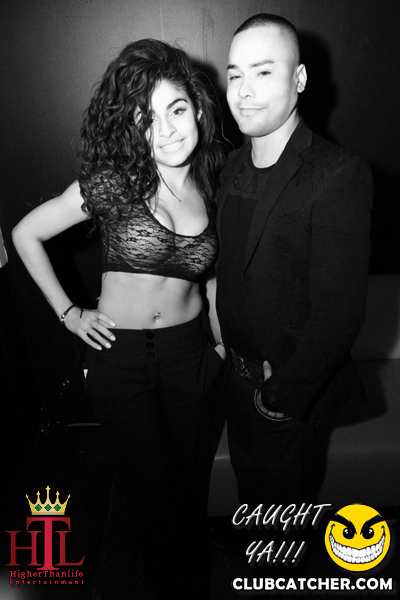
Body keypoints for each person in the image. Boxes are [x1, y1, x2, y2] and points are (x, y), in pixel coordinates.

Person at [12, 39, 227, 600]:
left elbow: (211, 279)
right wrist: (68, 313)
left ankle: (191, 581)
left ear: (198, 108)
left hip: (191, 356)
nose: (167, 130)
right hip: (121, 360)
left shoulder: (214, 184)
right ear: (133, 126)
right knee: (151, 488)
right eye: (147, 118)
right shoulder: (115, 183)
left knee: (188, 482)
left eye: (176, 109)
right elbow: (26, 233)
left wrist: (220, 344)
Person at [215, 14, 373, 510]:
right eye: (235, 75)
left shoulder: (338, 173)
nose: (244, 91)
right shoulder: (230, 167)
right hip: (234, 380)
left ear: (299, 79)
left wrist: (280, 395)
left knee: (284, 519)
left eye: (264, 72)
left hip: (282, 391)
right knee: (252, 504)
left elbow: (339, 315)